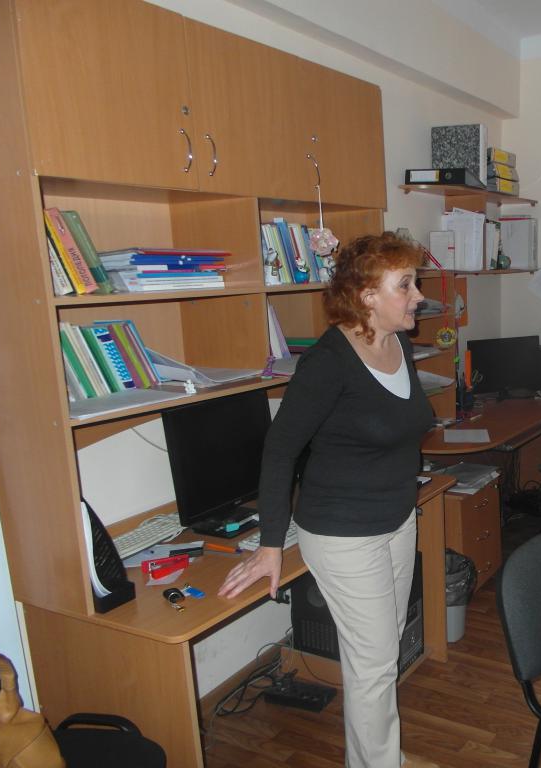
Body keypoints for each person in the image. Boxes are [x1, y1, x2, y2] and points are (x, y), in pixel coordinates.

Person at [218, 232, 437, 768]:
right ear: (366, 295)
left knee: (382, 655)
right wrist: (271, 545)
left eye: (415, 283)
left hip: (395, 519)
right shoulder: (328, 362)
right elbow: (280, 449)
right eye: (406, 285)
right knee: (375, 665)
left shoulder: (399, 346)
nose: (418, 296)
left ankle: (382, 758)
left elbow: (392, 430)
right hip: (343, 535)